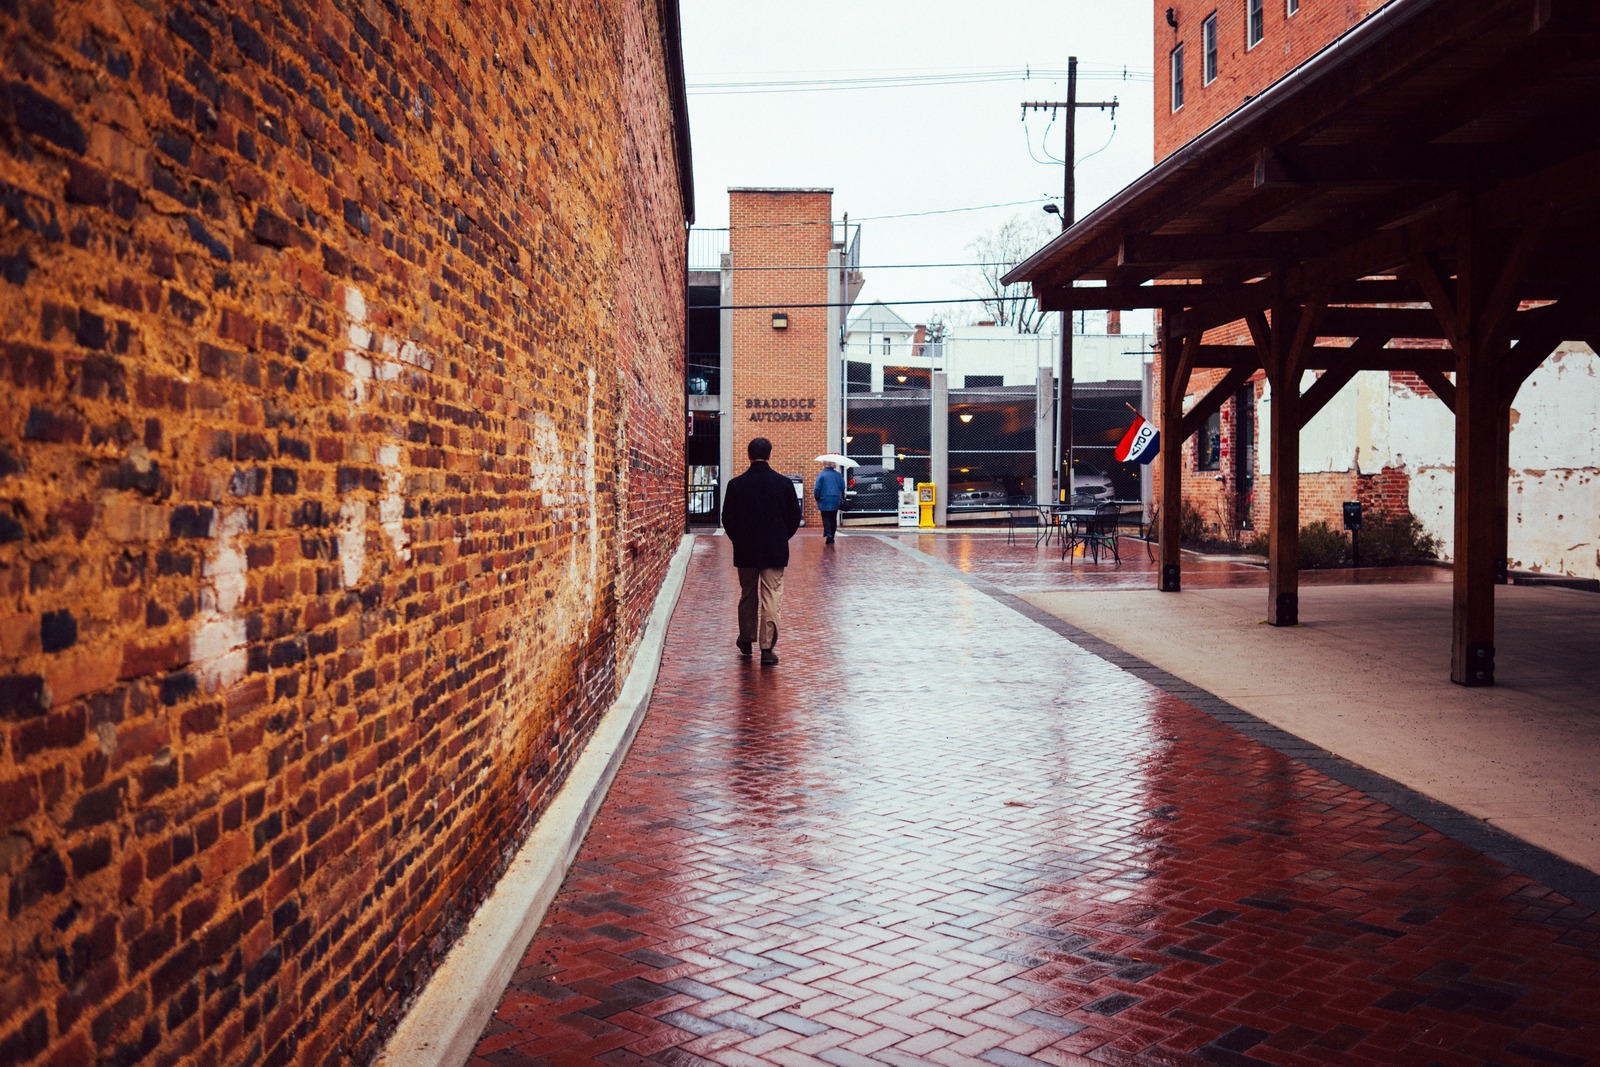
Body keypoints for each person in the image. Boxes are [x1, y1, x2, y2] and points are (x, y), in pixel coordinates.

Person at [720, 437, 802, 666]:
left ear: (748, 455)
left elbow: (728, 519)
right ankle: (767, 648)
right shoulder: (784, 484)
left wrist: (740, 539)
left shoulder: (736, 485)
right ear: (769, 455)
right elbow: (794, 518)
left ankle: (746, 638)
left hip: (745, 550)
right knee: (771, 597)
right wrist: (780, 537)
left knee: (748, 595)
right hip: (774, 550)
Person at [813, 461, 845, 544]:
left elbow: (817, 488)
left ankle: (828, 534)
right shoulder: (838, 475)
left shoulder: (821, 475)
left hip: (824, 499)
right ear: (834, 465)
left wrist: (817, 497)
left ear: (824, 465)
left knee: (825, 517)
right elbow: (842, 487)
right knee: (833, 518)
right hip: (835, 499)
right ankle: (832, 536)